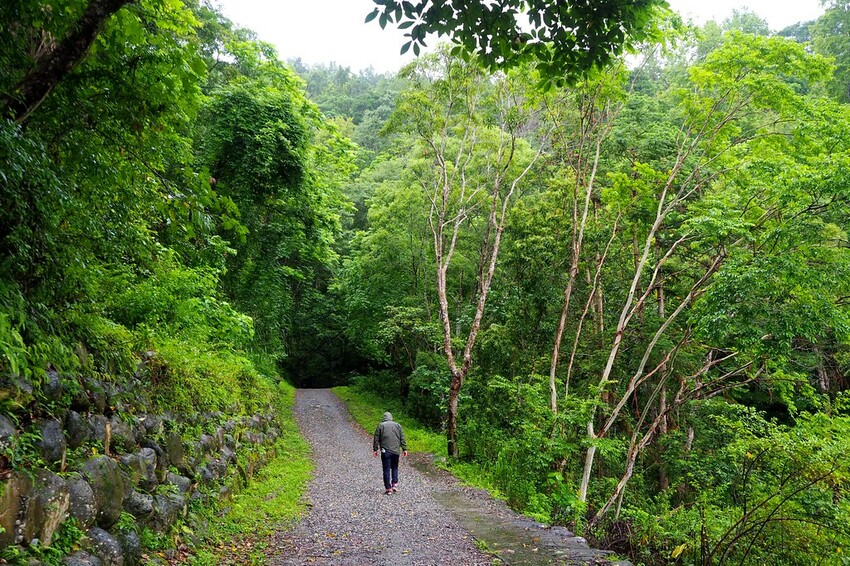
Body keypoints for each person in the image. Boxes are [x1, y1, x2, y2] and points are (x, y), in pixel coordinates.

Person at [372, 411, 408, 495]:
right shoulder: (398, 425)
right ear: (391, 417)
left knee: (386, 469)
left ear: (383, 418)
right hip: (396, 451)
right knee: (395, 467)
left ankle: (388, 488)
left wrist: (375, 449)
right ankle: (394, 484)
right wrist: (404, 448)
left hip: (386, 451)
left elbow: (376, 438)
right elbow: (402, 437)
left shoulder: (381, 426)